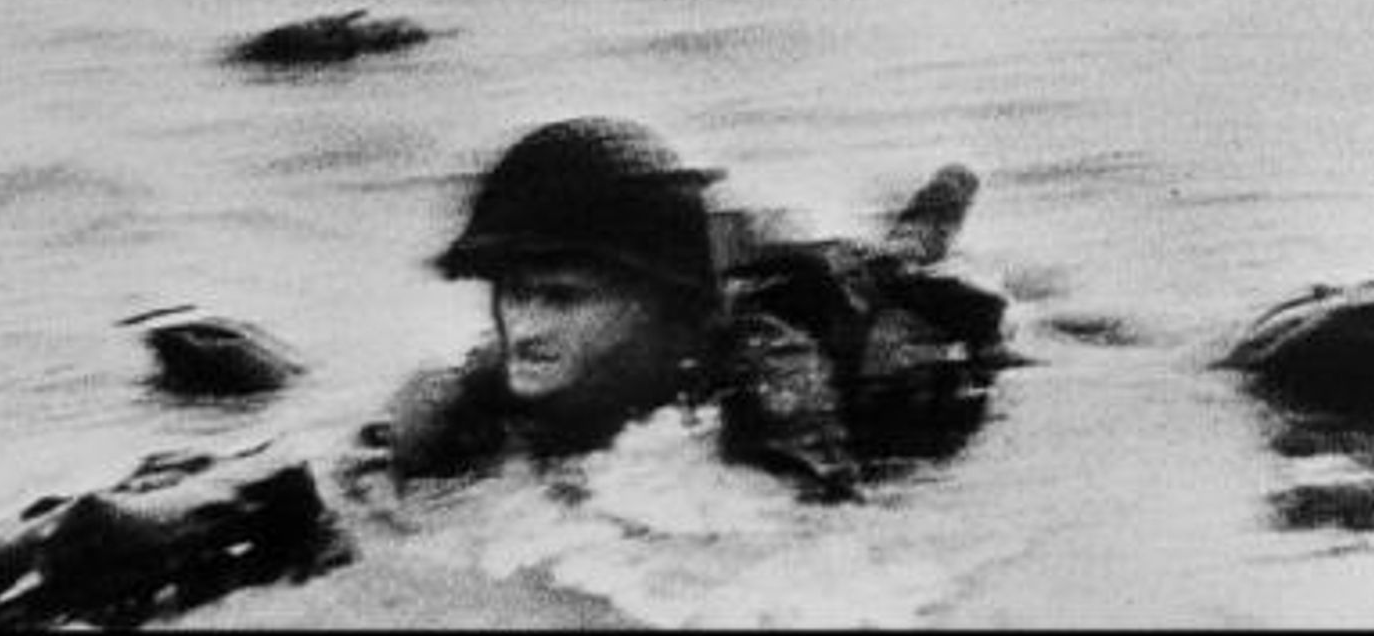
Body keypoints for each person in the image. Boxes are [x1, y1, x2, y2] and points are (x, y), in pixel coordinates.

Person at [343, 116, 1013, 502]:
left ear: (658, 301)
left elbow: (814, 531)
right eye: (513, 291)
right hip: (722, 279)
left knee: (898, 268)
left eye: (563, 297)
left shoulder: (769, 366)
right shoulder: (503, 373)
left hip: (868, 341)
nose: (525, 325)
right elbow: (374, 470)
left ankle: (937, 206)